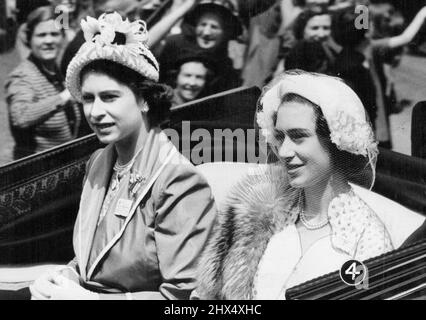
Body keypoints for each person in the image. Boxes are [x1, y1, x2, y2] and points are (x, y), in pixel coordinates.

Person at [29, 11, 216, 300]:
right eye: (88, 98)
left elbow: (183, 298)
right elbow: (94, 258)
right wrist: (64, 276)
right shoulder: (99, 161)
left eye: (110, 97)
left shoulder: (178, 180)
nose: (95, 112)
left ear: (143, 99)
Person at [195, 70, 394, 300]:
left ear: (334, 141)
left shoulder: (365, 237)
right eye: (280, 137)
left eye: (298, 136)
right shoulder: (258, 211)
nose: (283, 151)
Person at [5, 5, 81, 159]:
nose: (49, 40)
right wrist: (64, 97)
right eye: (41, 35)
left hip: (62, 165)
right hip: (35, 172)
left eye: (54, 34)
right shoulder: (22, 76)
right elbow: (20, 116)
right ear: (29, 39)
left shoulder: (56, 70)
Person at [158, 0, 244, 95]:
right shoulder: (174, 44)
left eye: (214, 27)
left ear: (225, 33)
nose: (206, 32)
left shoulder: (227, 63)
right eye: (203, 25)